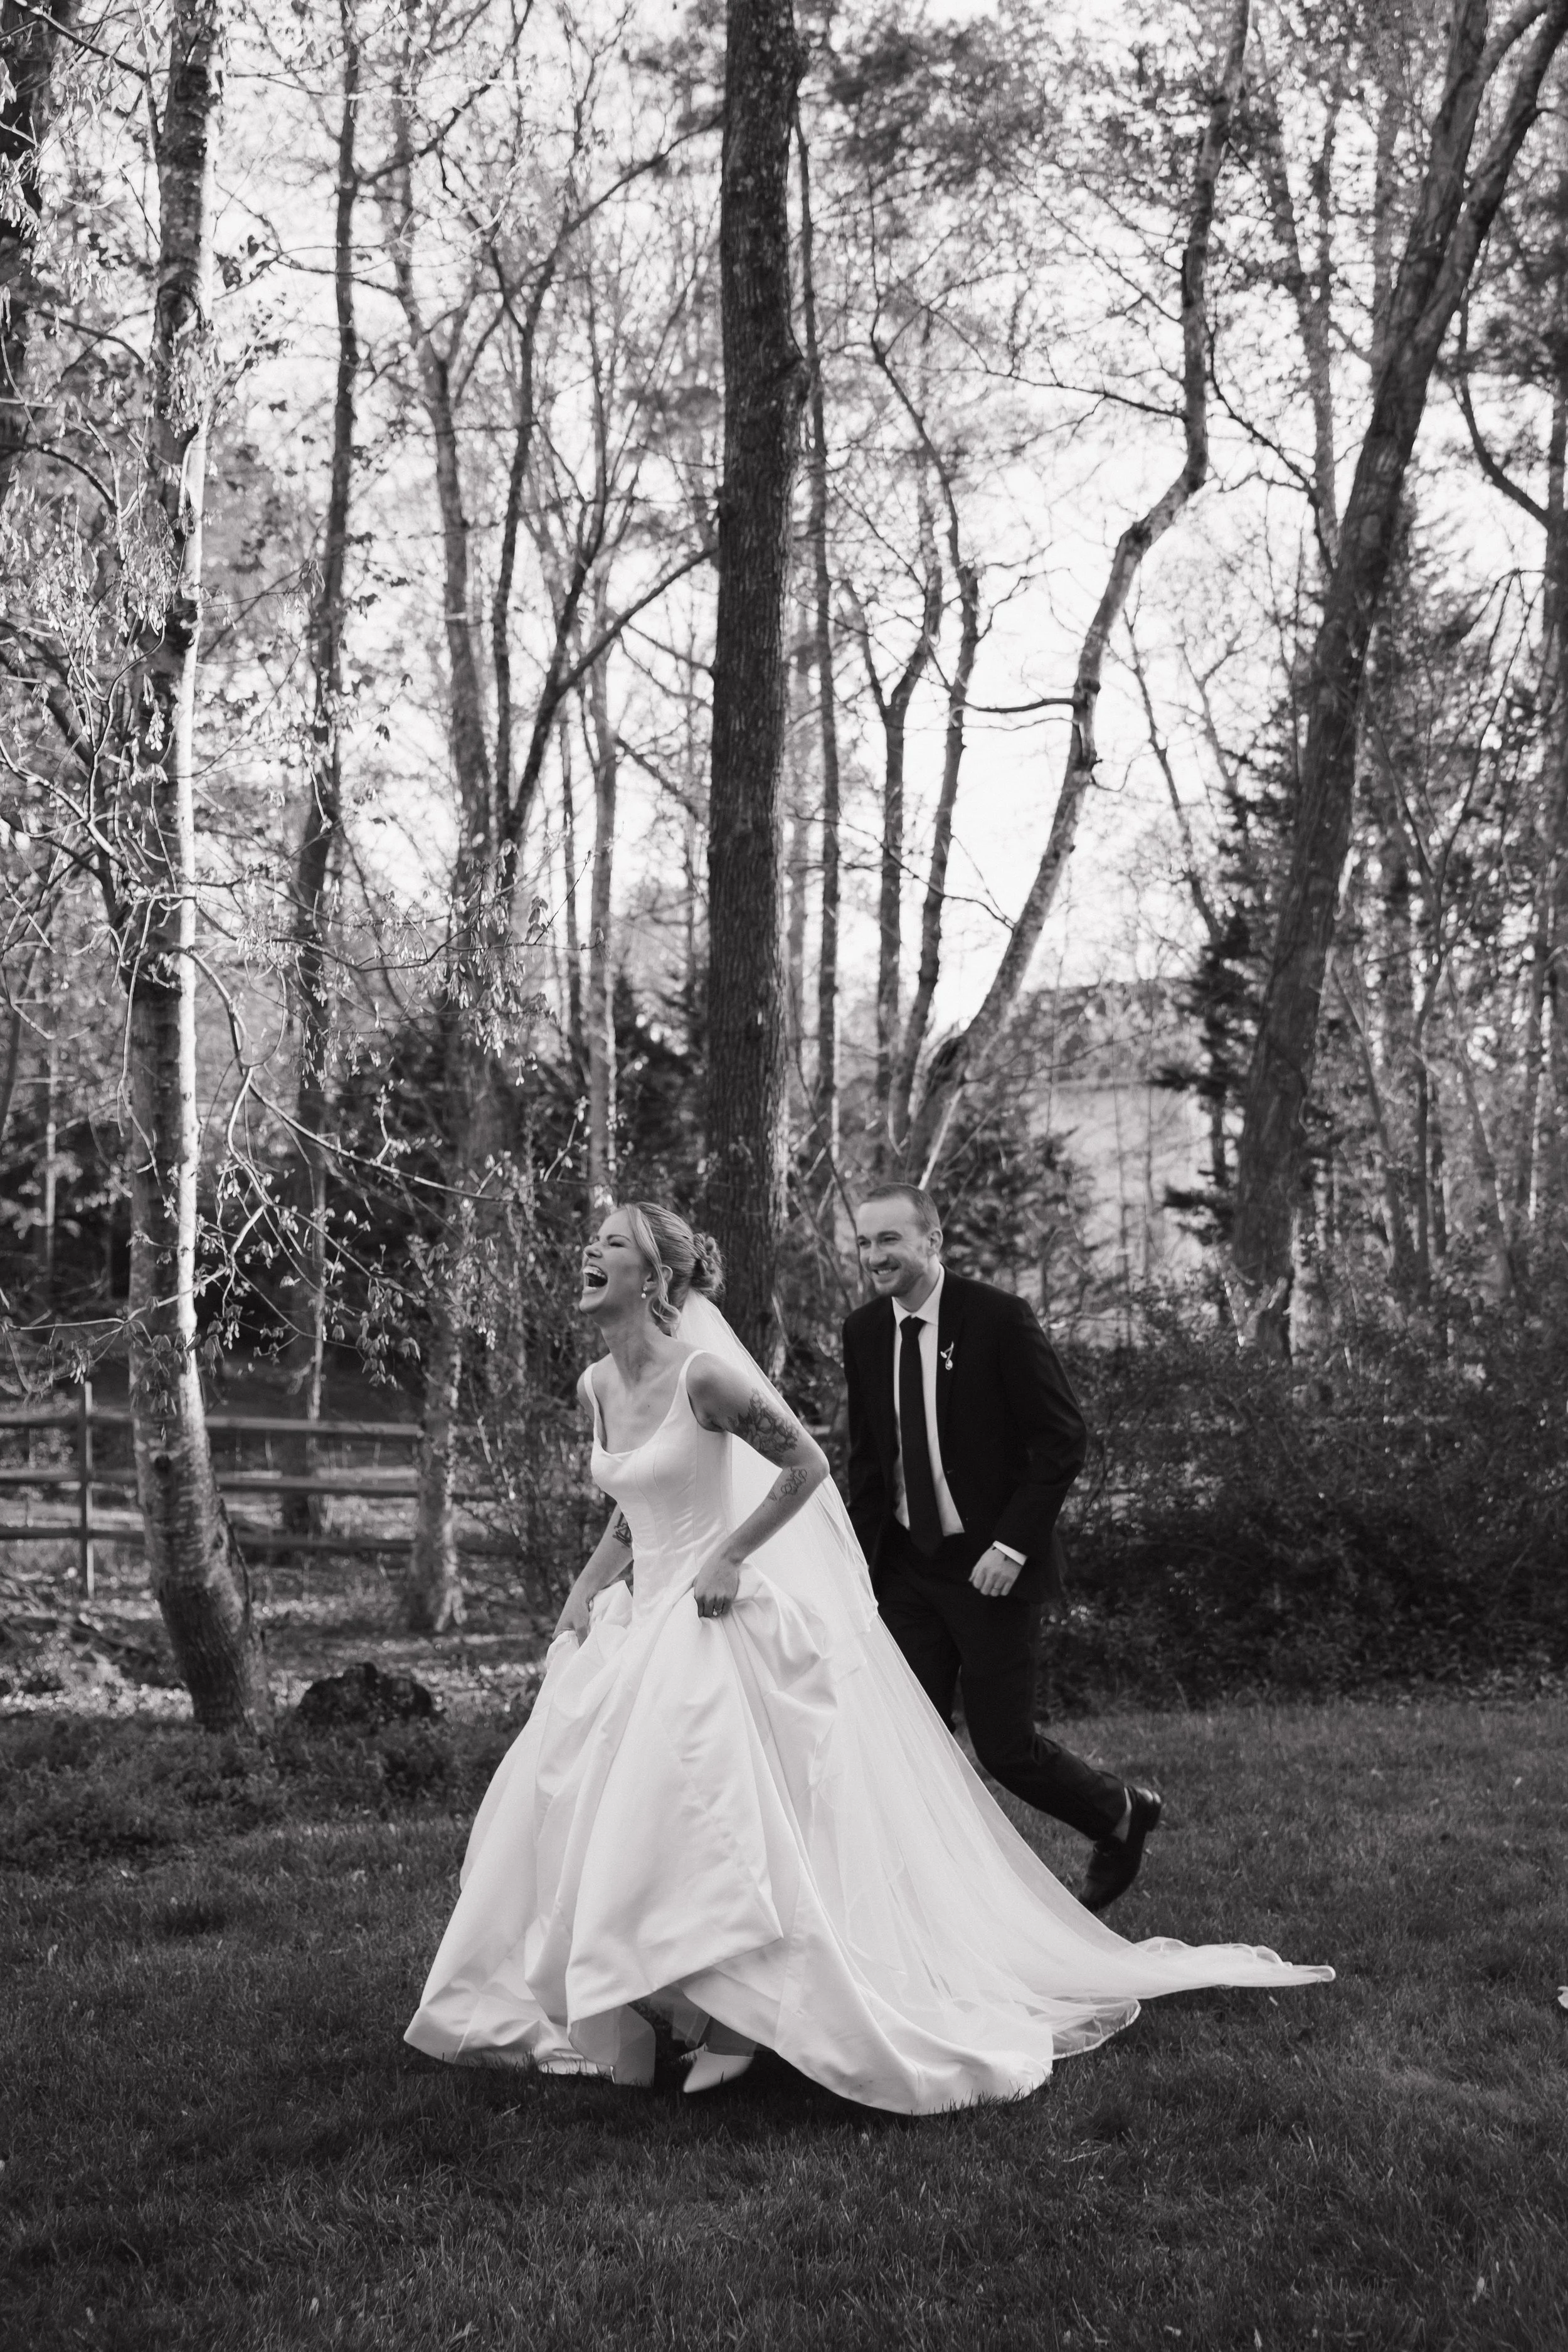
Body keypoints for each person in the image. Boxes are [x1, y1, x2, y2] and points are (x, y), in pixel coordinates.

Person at [405, 1201, 1330, 2112]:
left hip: (716, 1619)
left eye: (608, 1243)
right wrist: (586, 1583)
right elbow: (630, 1500)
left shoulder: (709, 1378)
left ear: (654, 1277)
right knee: (601, 1807)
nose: (586, 1254)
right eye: (588, 1240)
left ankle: (743, 2021)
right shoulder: (595, 1387)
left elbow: (805, 1465)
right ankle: (642, 2001)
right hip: (638, 1618)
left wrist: (730, 1554)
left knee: (725, 1814)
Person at [844, 1182, 1155, 1912]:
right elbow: (868, 1463)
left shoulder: (997, 1319)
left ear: (932, 1241)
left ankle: (1119, 1813)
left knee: (1005, 1747)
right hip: (905, 1569)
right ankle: (931, 1905)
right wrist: (857, 1568)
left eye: (889, 1240)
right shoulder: (862, 1333)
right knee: (903, 1743)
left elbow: (1061, 1439)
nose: (874, 1256)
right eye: (863, 1243)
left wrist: (1011, 1547)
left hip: (989, 1569)